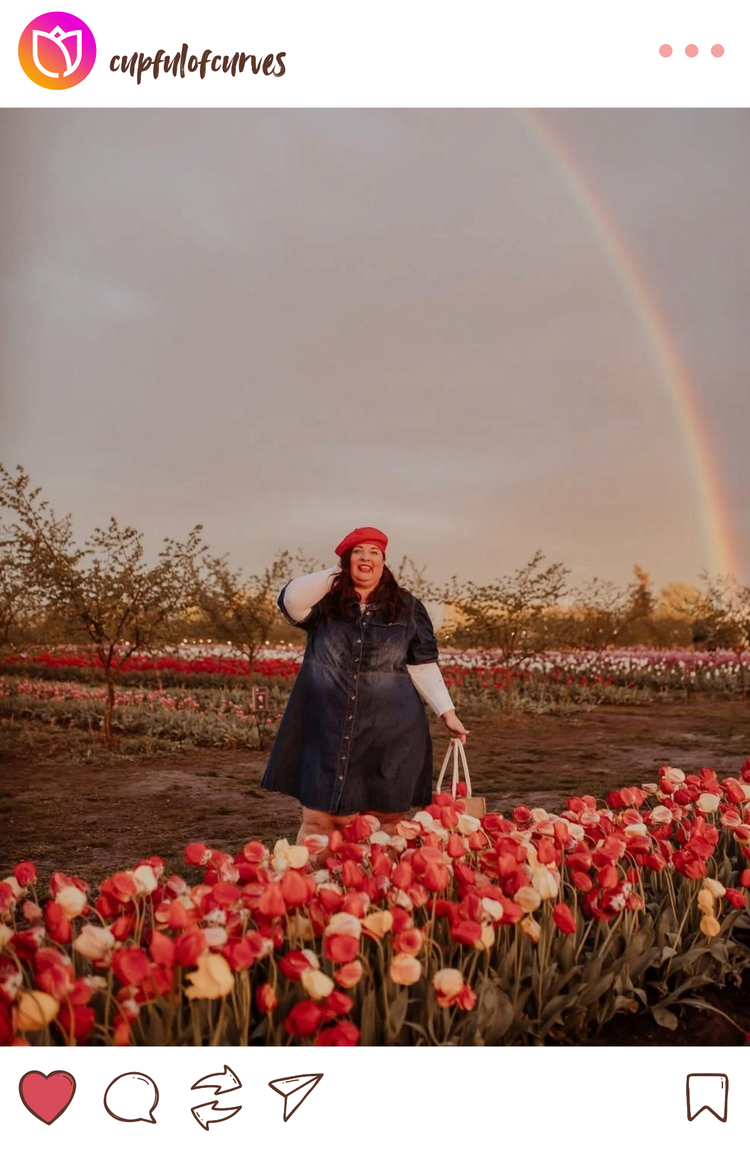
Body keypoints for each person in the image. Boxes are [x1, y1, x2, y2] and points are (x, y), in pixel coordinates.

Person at [260, 526, 469, 844]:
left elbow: (422, 665)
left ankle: (374, 889)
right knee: (320, 821)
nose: (366, 557)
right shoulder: (325, 604)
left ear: (385, 563)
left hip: (390, 730)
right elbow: (290, 600)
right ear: (346, 561)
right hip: (326, 727)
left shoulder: (407, 608)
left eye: (374, 552)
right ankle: (313, 889)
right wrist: (337, 573)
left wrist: (447, 713)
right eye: (357, 552)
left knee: (383, 823)